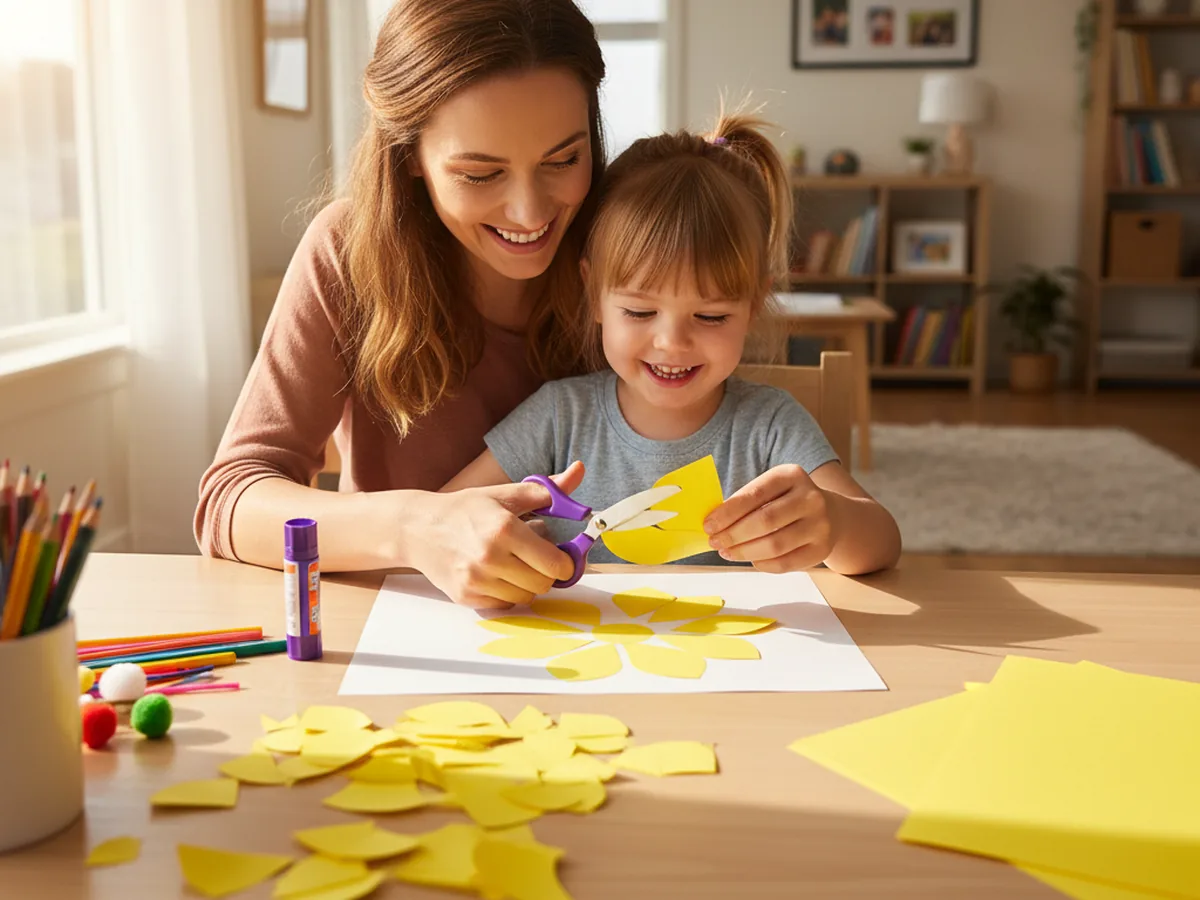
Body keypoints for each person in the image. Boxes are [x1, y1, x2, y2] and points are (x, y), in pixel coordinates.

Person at [195, 0, 607, 609]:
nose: (530, 212)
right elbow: (229, 503)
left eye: (563, 160)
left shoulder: (626, 238)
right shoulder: (349, 251)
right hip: (398, 633)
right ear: (410, 154)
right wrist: (416, 526)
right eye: (479, 174)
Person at [443, 108, 902, 576]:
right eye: (640, 312)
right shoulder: (559, 417)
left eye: (711, 316)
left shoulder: (770, 426)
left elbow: (883, 543)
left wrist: (836, 524)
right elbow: (444, 518)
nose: (672, 342)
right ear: (595, 295)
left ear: (753, 305)